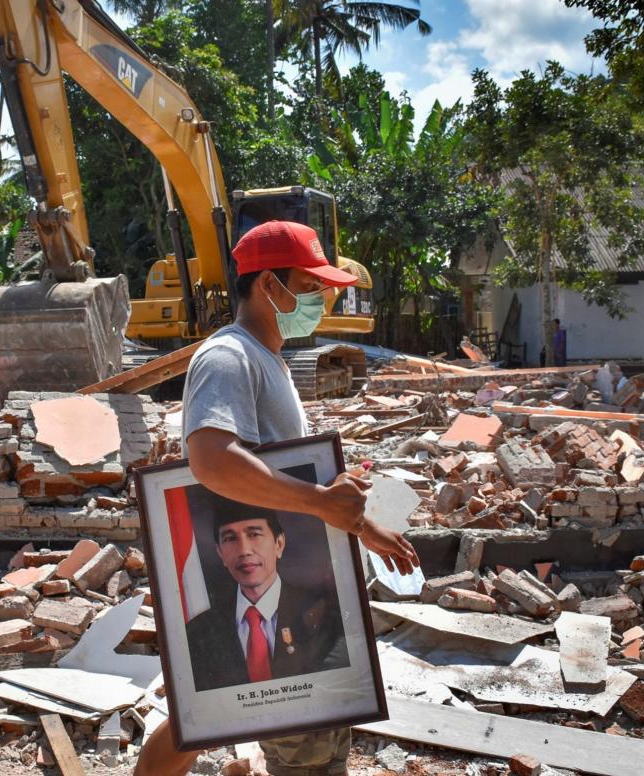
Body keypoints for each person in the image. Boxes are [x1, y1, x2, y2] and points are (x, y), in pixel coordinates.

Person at [134, 220, 420, 776]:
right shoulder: (227, 357)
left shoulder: (269, 358)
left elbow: (283, 482)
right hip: (265, 587)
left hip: (285, 583)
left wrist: (362, 526)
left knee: (203, 715)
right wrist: (320, 502)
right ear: (269, 286)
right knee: (294, 746)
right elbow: (213, 460)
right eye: (310, 286)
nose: (322, 297)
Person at [184, 494, 347, 692]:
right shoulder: (198, 632)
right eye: (230, 538)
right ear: (220, 554)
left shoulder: (322, 613)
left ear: (279, 544)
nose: (244, 550)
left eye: (254, 534)